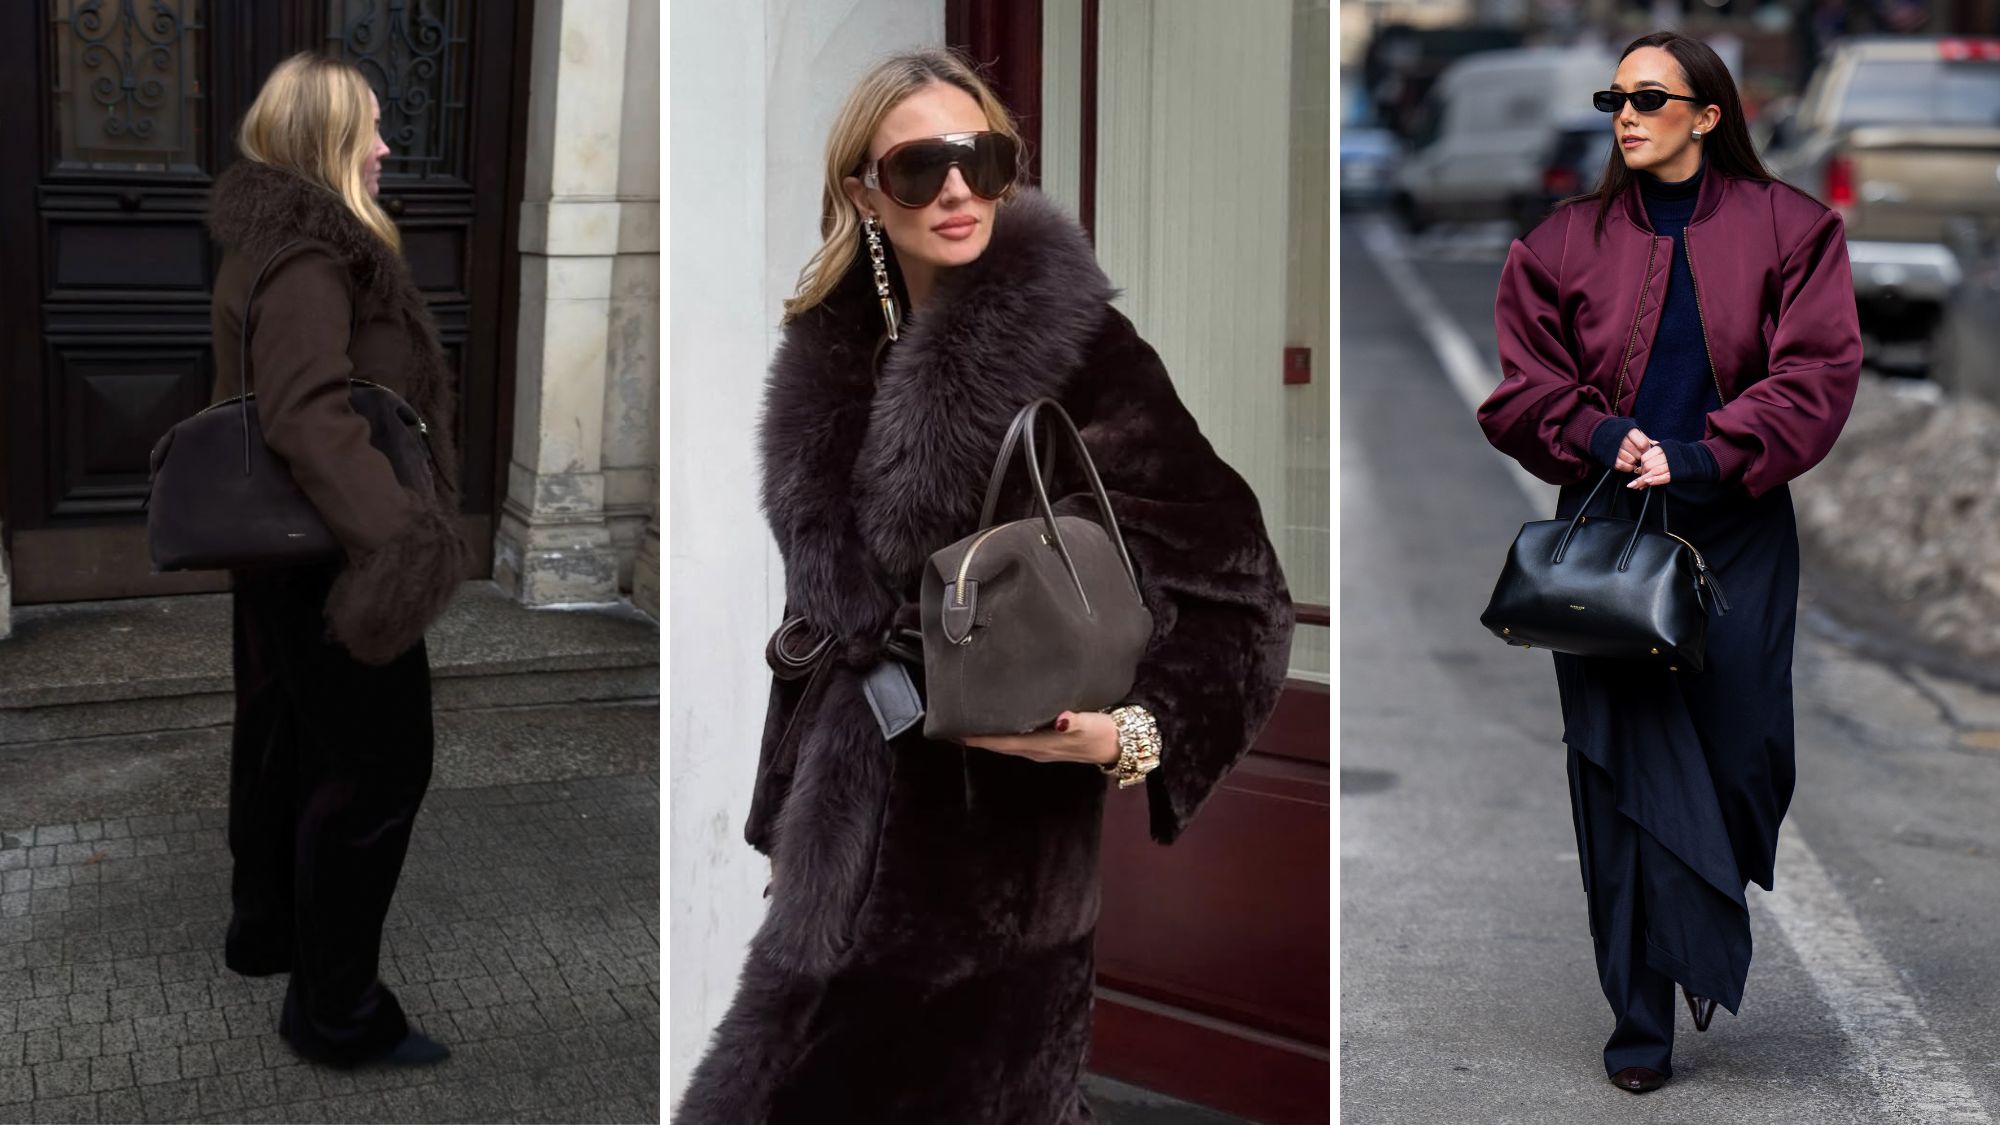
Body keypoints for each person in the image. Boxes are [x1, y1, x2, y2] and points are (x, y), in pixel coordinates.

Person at [675, 49, 1295, 1124]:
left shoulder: (1082, 352)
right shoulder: (834, 353)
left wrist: (1130, 736)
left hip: (997, 877)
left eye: (983, 158)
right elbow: (820, 634)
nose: (957, 189)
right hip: (839, 852)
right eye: (919, 168)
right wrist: (791, 826)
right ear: (864, 193)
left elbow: (1242, 587)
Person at [1478, 31, 1861, 1094]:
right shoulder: (1562, 241)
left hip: (1736, 523)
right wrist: (1604, 436)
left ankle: (1696, 924)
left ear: (1707, 113)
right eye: (1615, 98)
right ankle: (1638, 1019)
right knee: (1621, 776)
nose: (1626, 116)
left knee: (1742, 756)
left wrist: (1701, 454)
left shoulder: (1792, 229)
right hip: (1609, 537)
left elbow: (1817, 375)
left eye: (1650, 98)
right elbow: (1520, 389)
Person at [206, 52, 466, 1069]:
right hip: (338, 558)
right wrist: (399, 543)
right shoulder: (313, 259)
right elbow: (308, 416)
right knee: (377, 771)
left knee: (282, 737)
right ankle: (337, 1014)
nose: (386, 147)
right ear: (326, 141)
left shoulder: (275, 243)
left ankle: (264, 928)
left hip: (287, 549)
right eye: (368, 129)